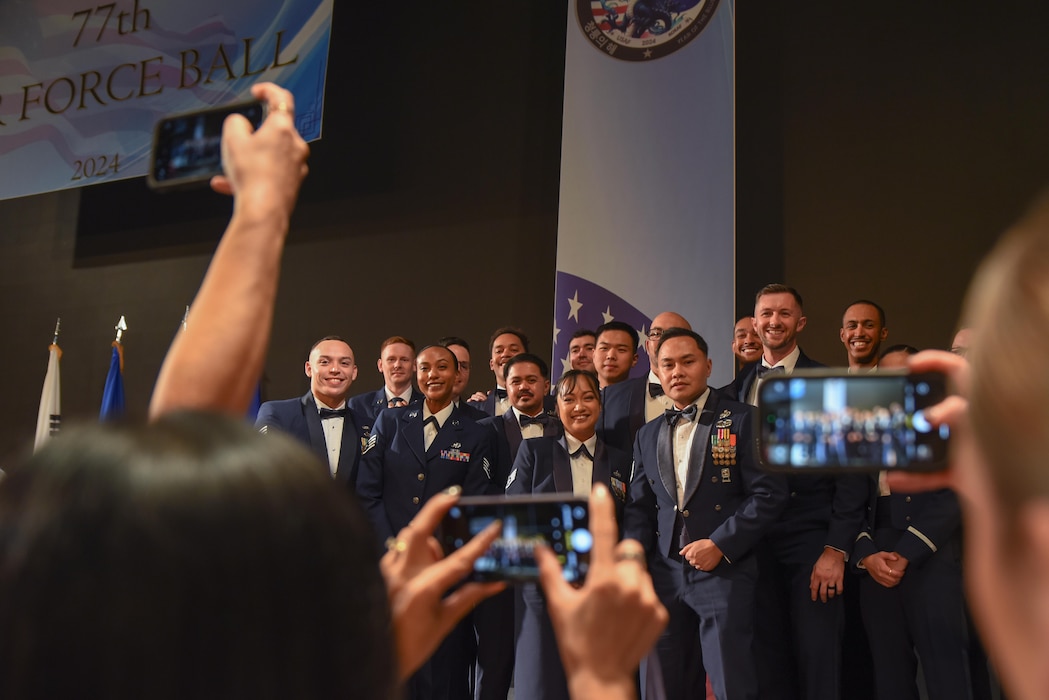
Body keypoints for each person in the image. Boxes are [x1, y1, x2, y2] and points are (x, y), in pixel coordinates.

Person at [720, 284, 869, 700]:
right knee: (765, 658)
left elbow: (854, 475)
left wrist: (836, 549)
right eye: (766, 313)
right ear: (754, 322)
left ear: (800, 323)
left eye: (784, 314)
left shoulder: (830, 384)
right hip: (753, 544)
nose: (774, 322)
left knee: (818, 657)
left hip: (811, 540)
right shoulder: (732, 394)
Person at [624, 327, 788, 699]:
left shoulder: (746, 418)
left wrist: (719, 543)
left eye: (687, 361)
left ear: (708, 365)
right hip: (663, 573)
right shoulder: (645, 435)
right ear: (657, 371)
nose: (677, 371)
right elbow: (639, 507)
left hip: (724, 569)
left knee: (731, 680)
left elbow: (770, 494)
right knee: (664, 684)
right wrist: (634, 558)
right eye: (668, 364)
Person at [507, 369, 633, 700]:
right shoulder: (534, 452)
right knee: (540, 684)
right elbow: (516, 515)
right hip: (543, 588)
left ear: (600, 404)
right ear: (557, 405)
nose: (579, 406)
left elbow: (632, 521)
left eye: (588, 397)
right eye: (569, 398)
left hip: (602, 591)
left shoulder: (621, 460)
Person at [472, 352, 562, 700]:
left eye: (531, 380)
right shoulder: (485, 430)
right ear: (504, 386)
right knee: (493, 657)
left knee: (546, 656)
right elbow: (479, 490)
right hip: (500, 554)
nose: (523, 387)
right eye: (515, 381)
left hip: (550, 558)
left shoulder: (564, 428)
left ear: (545, 384)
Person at [255, 335, 365, 486]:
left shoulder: (366, 425)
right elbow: (261, 471)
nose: (335, 369)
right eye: (324, 362)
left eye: (344, 363)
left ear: (354, 372)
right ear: (308, 368)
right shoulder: (277, 413)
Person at [598, 311, 688, 454]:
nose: (663, 339)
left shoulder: (712, 399)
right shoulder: (610, 397)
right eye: (656, 334)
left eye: (673, 333)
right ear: (647, 346)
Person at [349, 336, 424, 429]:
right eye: (391, 359)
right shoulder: (359, 405)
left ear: (414, 365)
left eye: (404, 360)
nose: (397, 365)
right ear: (380, 365)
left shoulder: (425, 405)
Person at [468, 327, 529, 416]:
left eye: (514, 350)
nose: (505, 354)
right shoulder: (474, 408)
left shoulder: (550, 405)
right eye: (499, 351)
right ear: (491, 364)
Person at [438, 336, 489, 422]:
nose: (458, 371)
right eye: (452, 364)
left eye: (464, 366)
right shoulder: (411, 413)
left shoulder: (480, 420)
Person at [839, 300, 889, 372]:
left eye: (869, 325)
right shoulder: (829, 382)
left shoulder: (895, 382)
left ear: (883, 333)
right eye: (852, 326)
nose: (859, 334)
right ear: (842, 335)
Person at [594, 320, 639, 389]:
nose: (611, 356)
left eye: (621, 350)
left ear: (634, 359)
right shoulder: (575, 396)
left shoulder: (644, 397)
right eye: (604, 348)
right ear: (593, 355)